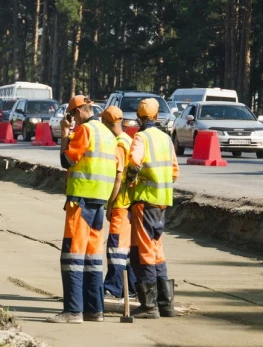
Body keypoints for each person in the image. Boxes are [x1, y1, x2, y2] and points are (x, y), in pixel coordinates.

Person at [46, 95, 117, 324]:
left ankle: (73, 311)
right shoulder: (106, 132)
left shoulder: (85, 131)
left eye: (72, 116)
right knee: (92, 258)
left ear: (77, 113)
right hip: (99, 200)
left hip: (82, 200)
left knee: (73, 256)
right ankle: (94, 310)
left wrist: (65, 134)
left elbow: (67, 160)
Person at [126, 98, 180, 319]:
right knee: (157, 252)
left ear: (139, 117)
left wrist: (131, 181)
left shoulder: (140, 137)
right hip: (162, 202)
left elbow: (135, 163)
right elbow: (175, 172)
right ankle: (165, 304)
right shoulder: (166, 139)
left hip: (144, 202)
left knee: (145, 252)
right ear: (157, 117)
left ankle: (148, 306)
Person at [100, 105, 137, 300]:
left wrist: (110, 205)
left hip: (121, 204)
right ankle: (129, 287)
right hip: (129, 204)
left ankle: (114, 287)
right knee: (126, 249)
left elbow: (118, 177)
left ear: (107, 123)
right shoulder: (128, 140)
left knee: (116, 248)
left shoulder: (120, 145)